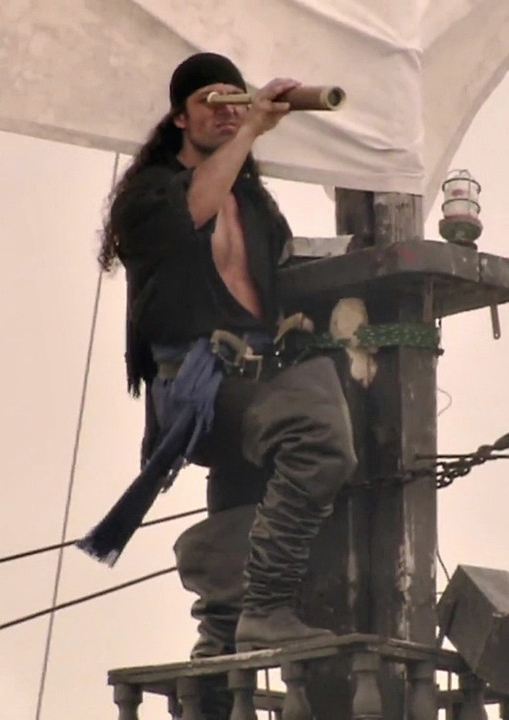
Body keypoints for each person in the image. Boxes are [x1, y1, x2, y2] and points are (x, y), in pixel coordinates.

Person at [94, 52, 356, 667]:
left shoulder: (254, 204)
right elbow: (192, 212)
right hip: (197, 384)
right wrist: (253, 126)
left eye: (234, 99)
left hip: (252, 377)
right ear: (179, 118)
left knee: (246, 497)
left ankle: (220, 643)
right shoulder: (149, 197)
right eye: (209, 101)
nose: (226, 111)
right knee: (318, 437)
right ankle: (267, 607)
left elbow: (281, 277)